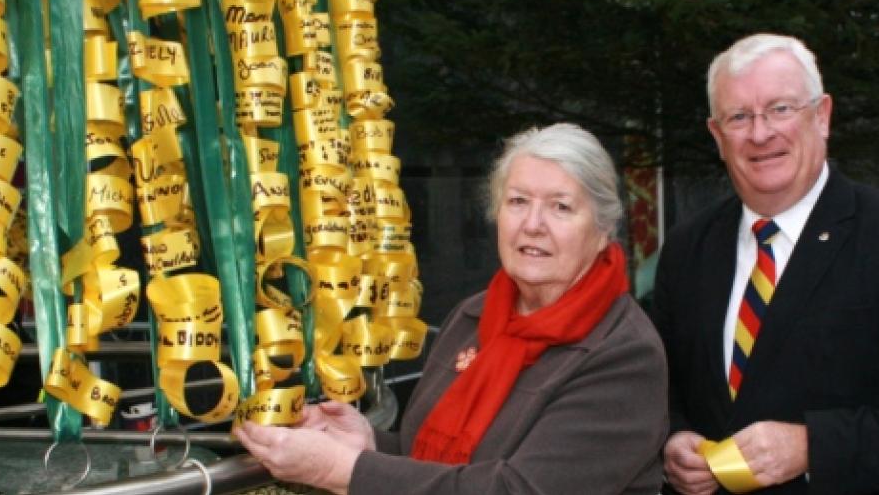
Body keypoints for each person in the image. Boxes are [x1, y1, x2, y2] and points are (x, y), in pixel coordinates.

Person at [235, 123, 669, 494]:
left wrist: (342, 470)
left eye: (560, 206)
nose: (533, 224)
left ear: (602, 229)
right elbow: (431, 459)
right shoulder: (475, 316)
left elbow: (515, 489)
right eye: (518, 201)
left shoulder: (624, 354)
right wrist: (367, 445)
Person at [652, 34, 879, 494]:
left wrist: (811, 446)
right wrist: (672, 437)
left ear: (822, 116)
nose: (760, 133)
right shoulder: (686, 248)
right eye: (739, 116)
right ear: (717, 135)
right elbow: (660, 382)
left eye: (780, 109)